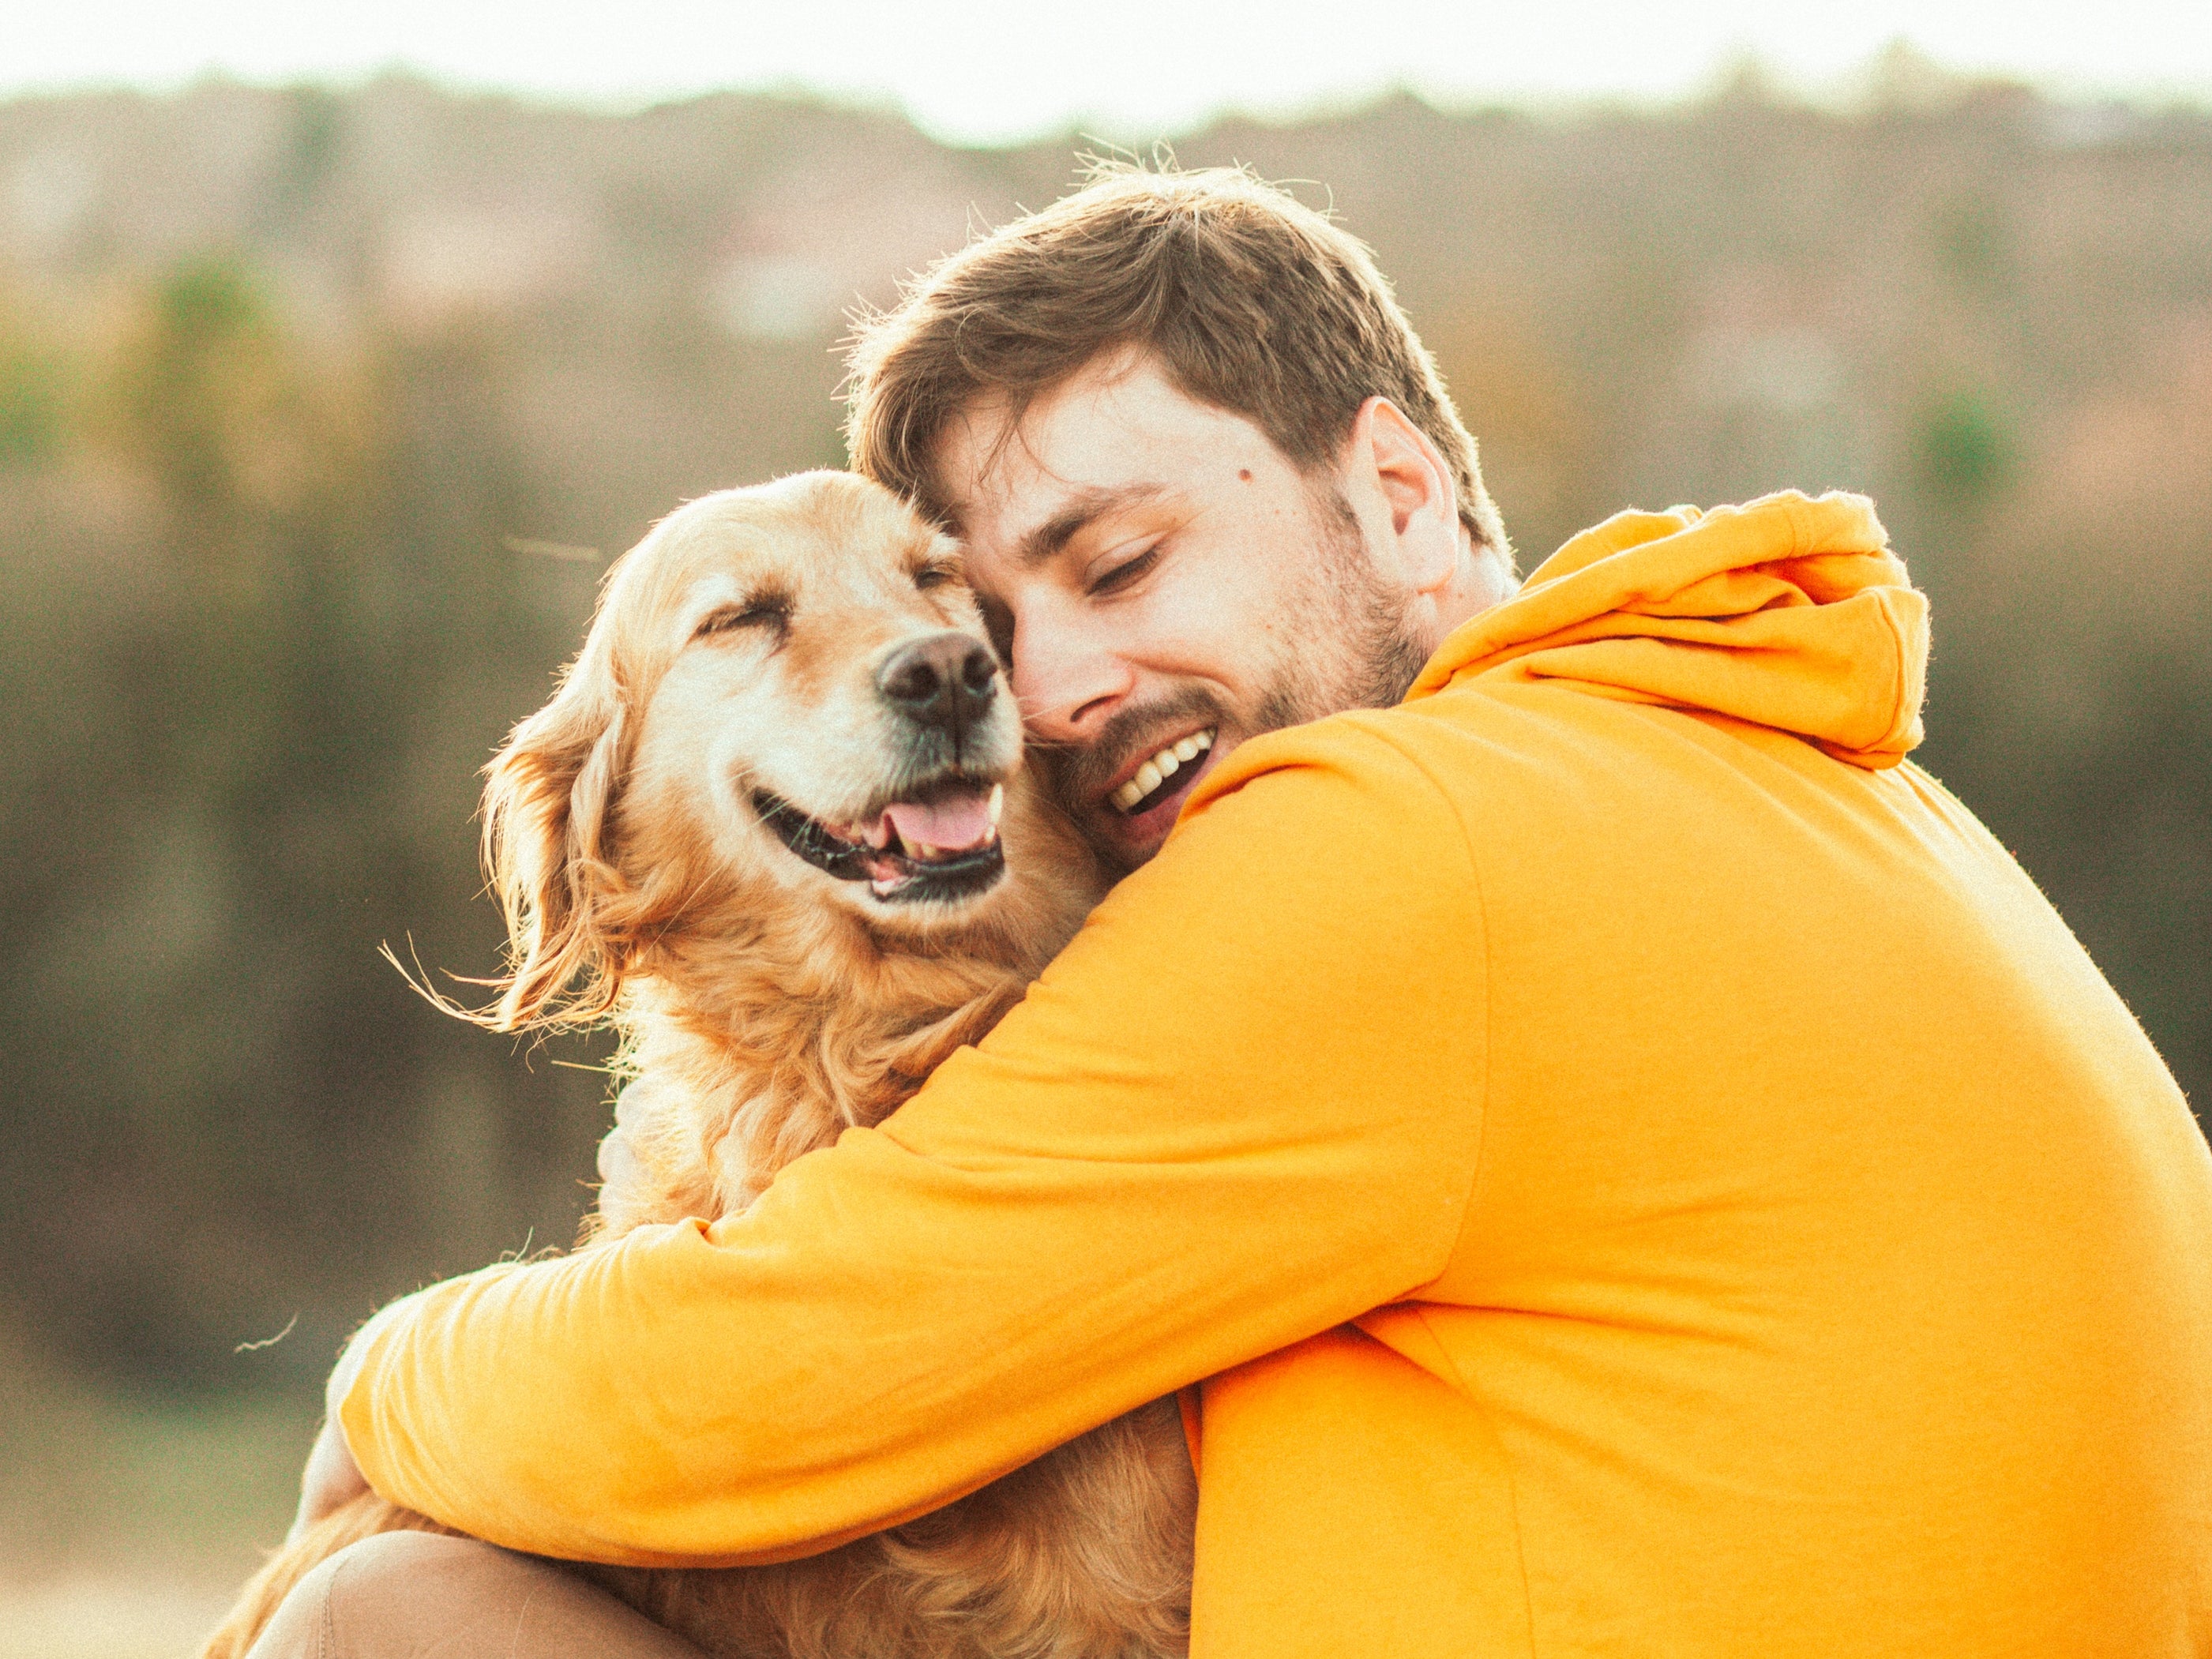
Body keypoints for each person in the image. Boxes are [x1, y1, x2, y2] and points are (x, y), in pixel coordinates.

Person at [255, 167, 2212, 1657]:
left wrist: (385, 1374)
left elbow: (768, 1371)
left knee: (393, 1619)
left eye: (1124, 559)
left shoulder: (1399, 842)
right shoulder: (1798, 780)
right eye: (1004, 625)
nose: (1044, 690)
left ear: (1404, 494)